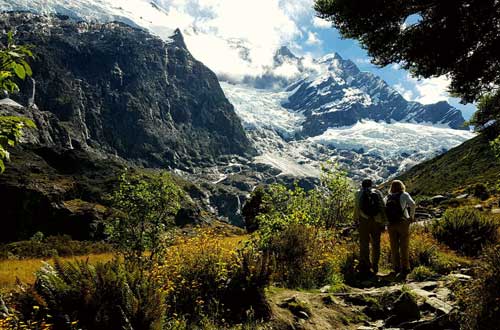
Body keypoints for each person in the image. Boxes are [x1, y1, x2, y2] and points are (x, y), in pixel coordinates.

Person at [354, 179, 387, 275]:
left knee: (364, 243)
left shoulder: (358, 193)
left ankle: (365, 265)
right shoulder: (377, 192)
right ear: (371, 185)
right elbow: (382, 207)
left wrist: (355, 219)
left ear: (362, 185)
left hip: (364, 220)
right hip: (376, 221)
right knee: (376, 243)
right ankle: (375, 265)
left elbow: (357, 207)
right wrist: (384, 222)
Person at [385, 180, 416, 278]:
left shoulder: (388, 197)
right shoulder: (404, 194)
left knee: (394, 246)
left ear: (392, 187)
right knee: (404, 246)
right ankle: (405, 268)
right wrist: (411, 217)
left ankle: (396, 267)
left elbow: (382, 208)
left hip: (391, 224)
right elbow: (413, 204)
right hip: (403, 222)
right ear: (402, 186)